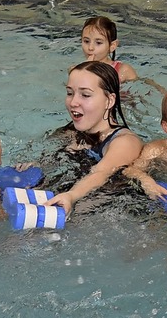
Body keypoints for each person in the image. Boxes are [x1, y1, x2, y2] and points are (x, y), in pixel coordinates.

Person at [44, 62, 143, 216]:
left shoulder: (125, 142)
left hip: (110, 208)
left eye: (85, 95)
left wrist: (72, 195)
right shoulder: (70, 131)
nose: (73, 102)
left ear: (109, 100)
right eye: (70, 93)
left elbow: (101, 173)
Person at [79, 16, 165, 92]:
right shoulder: (77, 71)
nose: (90, 48)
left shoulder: (122, 71)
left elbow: (139, 90)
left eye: (98, 43)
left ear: (112, 46)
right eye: (86, 41)